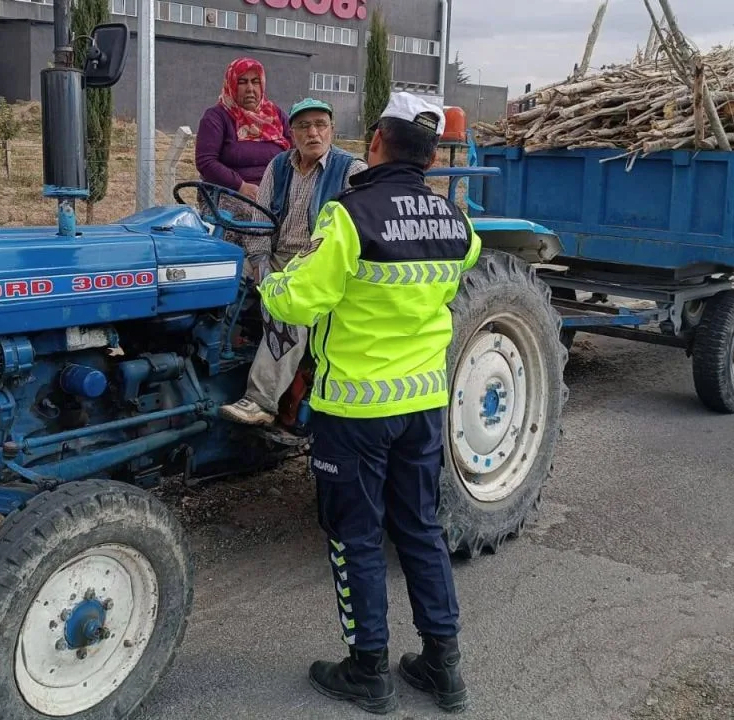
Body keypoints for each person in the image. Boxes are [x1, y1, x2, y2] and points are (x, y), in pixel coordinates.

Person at [258, 93, 481, 715]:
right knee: (420, 528)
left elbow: (300, 301)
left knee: (355, 536)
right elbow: (463, 263)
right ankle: (444, 665)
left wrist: (269, 284)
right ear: (431, 154)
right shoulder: (453, 223)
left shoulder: (349, 217)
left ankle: (368, 671)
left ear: (376, 142)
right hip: (422, 404)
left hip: (355, 411)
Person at [219, 97, 367, 427]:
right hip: (274, 255)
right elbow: (260, 219)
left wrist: (296, 272)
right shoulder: (279, 166)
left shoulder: (351, 170)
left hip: (318, 262)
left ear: (332, 130)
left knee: (290, 305)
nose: (312, 133)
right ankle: (216, 360)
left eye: (320, 125)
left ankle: (261, 401)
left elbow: (349, 233)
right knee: (219, 277)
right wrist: (259, 262)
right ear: (292, 133)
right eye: (303, 126)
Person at [195, 58, 292, 261]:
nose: (250, 88)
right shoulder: (217, 117)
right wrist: (242, 187)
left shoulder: (276, 116)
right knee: (248, 219)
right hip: (228, 192)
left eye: (255, 82)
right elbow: (206, 162)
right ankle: (242, 276)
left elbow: (295, 154)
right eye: (242, 82)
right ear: (231, 84)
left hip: (273, 192)